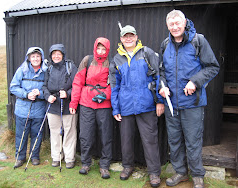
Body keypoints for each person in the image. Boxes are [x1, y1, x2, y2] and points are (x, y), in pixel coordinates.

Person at [159, 10, 220, 188]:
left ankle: (197, 175)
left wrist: (195, 81)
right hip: (172, 105)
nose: (175, 27)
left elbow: (212, 66)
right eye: (171, 24)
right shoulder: (165, 44)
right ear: (167, 26)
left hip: (192, 103)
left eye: (178, 23)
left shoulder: (198, 41)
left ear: (184, 22)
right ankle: (180, 172)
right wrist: (162, 87)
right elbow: (161, 71)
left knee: (193, 140)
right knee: (175, 140)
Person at [109, 25, 164, 187]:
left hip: (146, 105)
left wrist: (160, 101)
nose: (128, 38)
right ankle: (127, 166)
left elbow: (159, 77)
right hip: (125, 106)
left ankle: (154, 172)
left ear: (136, 37)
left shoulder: (146, 53)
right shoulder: (117, 59)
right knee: (126, 140)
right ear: (121, 39)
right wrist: (116, 108)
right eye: (125, 36)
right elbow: (115, 86)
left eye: (131, 35)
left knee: (150, 140)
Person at [69, 37, 113, 179]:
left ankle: (104, 166)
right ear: (95, 48)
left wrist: (105, 95)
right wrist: (73, 103)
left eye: (103, 49)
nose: (100, 51)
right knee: (85, 135)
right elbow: (77, 82)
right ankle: (85, 163)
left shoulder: (111, 63)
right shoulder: (87, 61)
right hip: (86, 103)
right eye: (98, 48)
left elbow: (115, 84)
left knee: (106, 136)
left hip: (104, 105)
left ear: (107, 50)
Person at [10, 47, 47, 168]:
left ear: (41, 57)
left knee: (37, 134)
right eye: (33, 56)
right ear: (29, 58)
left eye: (38, 56)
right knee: (21, 134)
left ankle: (34, 156)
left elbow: (49, 88)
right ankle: (20, 157)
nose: (35, 59)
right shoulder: (22, 70)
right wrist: (26, 94)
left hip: (39, 109)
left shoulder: (46, 71)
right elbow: (13, 87)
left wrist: (40, 93)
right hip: (22, 109)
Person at [42, 44, 78, 169]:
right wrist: (47, 96)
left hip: (68, 105)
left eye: (59, 54)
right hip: (52, 105)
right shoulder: (48, 68)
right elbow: (44, 86)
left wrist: (67, 94)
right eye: (54, 54)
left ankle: (69, 158)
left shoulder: (71, 67)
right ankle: (56, 157)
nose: (56, 56)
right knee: (55, 132)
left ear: (63, 55)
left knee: (69, 132)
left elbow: (77, 85)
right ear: (51, 56)